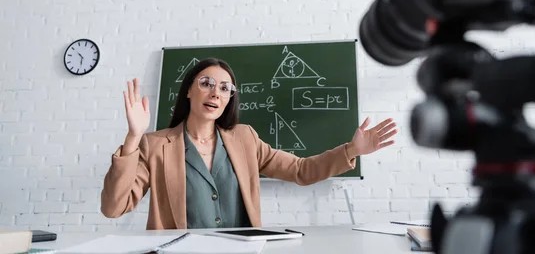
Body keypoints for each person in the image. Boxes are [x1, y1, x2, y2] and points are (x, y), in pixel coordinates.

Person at [101, 58, 397, 230]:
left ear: (229, 98)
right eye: (205, 83)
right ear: (189, 90)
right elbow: (114, 208)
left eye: (225, 88)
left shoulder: (245, 139)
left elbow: (301, 170)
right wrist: (132, 137)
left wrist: (352, 150)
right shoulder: (155, 145)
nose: (215, 92)